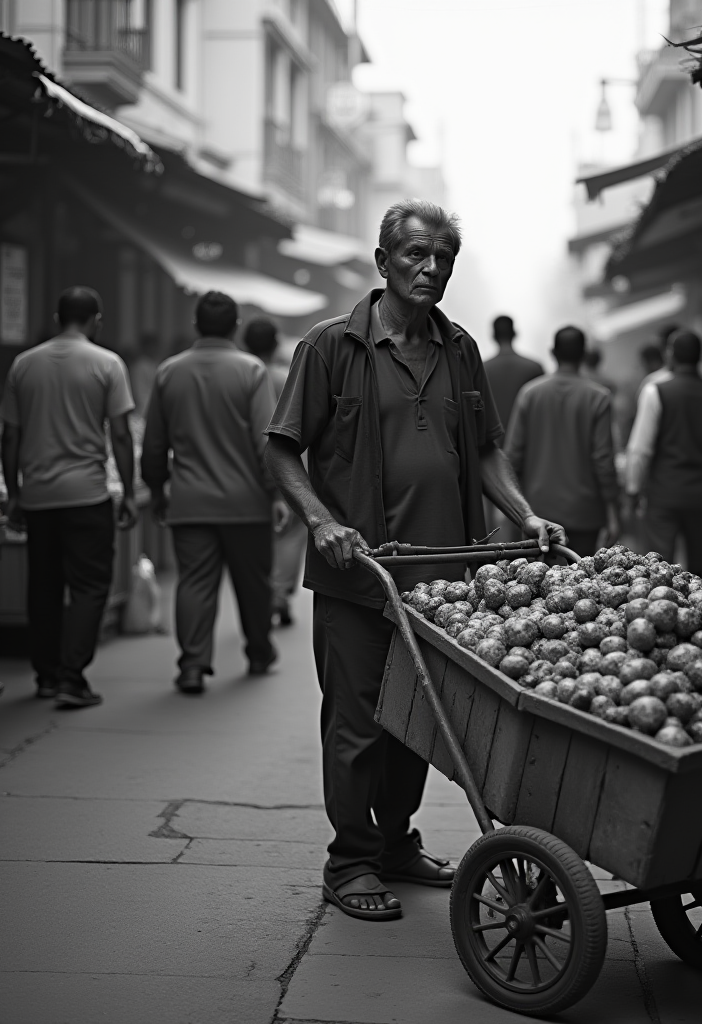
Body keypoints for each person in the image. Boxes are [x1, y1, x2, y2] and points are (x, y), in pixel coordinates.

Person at [265, 199, 566, 922]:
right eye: (416, 256)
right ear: (383, 262)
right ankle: (352, 860)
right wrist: (322, 521)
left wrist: (524, 514)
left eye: (444, 259)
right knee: (358, 724)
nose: (432, 270)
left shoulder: (459, 348)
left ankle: (396, 843)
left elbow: (486, 449)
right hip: (359, 577)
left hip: (442, 584)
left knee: (417, 722)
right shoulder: (330, 346)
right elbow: (282, 447)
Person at [0, 286, 138, 708]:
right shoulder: (107, 363)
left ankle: (45, 675)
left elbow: (10, 437)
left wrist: (14, 494)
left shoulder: (24, 364)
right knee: (90, 585)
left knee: (43, 585)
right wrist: (129, 492)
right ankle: (71, 676)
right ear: (96, 319)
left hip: (39, 496)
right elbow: (118, 433)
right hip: (87, 494)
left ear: (58, 318)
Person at [142, 292, 284, 695]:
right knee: (253, 582)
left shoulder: (169, 371)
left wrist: (156, 488)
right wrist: (276, 494)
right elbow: (265, 441)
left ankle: (191, 665)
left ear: (195, 324)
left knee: (194, 583)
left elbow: (154, 442)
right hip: (247, 503)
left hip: (189, 502)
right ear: (235, 325)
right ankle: (258, 651)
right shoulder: (251, 371)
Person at [625, 329, 702, 575]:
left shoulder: (656, 391)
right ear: (701, 357)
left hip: (664, 493)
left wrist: (633, 488)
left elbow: (640, 449)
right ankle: (698, 608)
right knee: (697, 565)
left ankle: (663, 609)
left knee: (660, 567)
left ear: (670, 355)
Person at [506, 326, 620, 555]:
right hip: (584, 513)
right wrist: (613, 511)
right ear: (583, 354)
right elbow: (603, 461)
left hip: (538, 513)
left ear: (553, 352)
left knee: (536, 584)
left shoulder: (530, 394)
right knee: (581, 583)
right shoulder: (598, 397)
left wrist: (515, 512)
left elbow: (512, 457)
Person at [244, 317, 306, 627]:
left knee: (259, 535)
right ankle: (279, 594)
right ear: (275, 343)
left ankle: (262, 594)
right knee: (290, 533)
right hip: (285, 464)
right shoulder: (285, 377)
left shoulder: (240, 375)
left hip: (245, 470)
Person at [482, 314, 544, 430]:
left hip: (493, 442)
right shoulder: (534, 368)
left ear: (493, 336)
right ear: (514, 334)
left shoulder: (482, 369)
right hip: (526, 440)